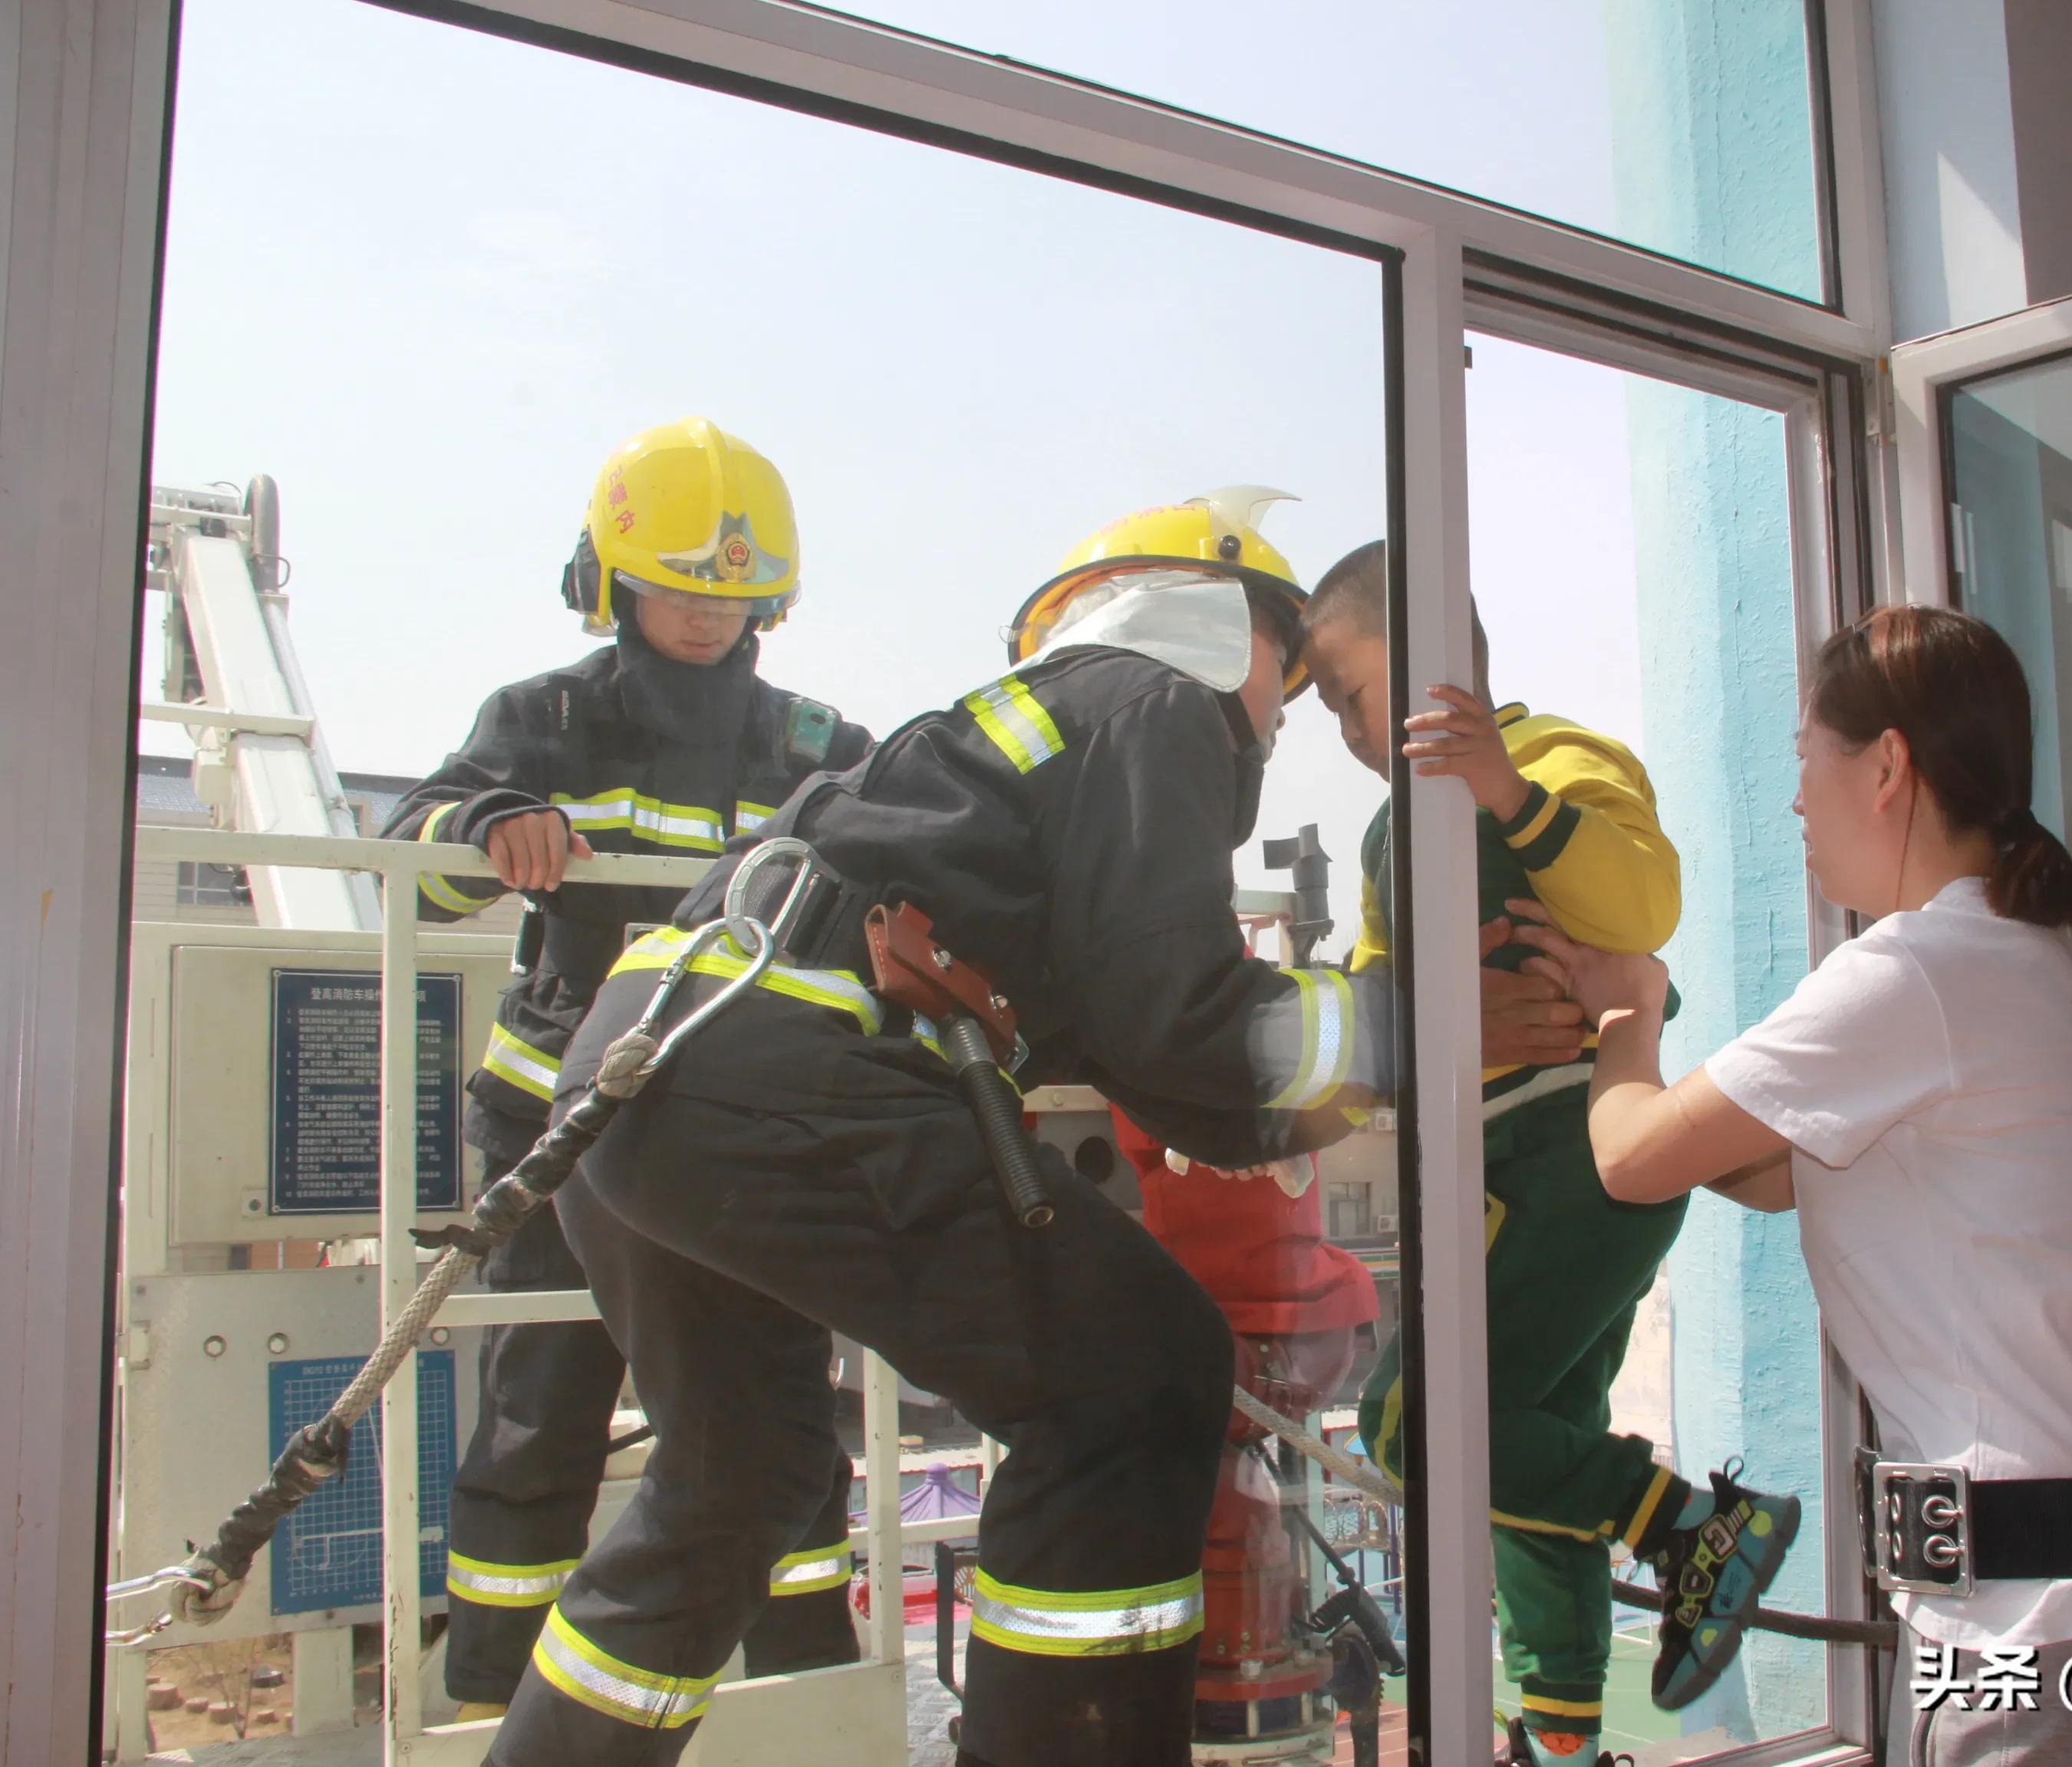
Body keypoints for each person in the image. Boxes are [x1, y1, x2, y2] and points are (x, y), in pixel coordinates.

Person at [484, 490, 1400, 1767]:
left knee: (733, 1478)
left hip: (644, 1080)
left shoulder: (1013, 751)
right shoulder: (1157, 698)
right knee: (1136, 1375)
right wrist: (1409, 1023)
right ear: (1225, 621)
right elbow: (1185, 1018)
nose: (1282, 714)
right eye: (1289, 684)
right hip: (784, 1072)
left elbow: (1165, 1059)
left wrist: (1316, 1075)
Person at [1512, 606, 2072, 1767]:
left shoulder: (1917, 974)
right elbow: (1765, 1169)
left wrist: (1630, 1010)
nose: (1797, 799)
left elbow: (1633, 1155)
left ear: (1887, 765)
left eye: (1808, 761)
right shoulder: (2019, 960)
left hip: (2043, 1648)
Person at [385, 417, 873, 1718]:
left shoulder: (815, 744)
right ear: (608, 582)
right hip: (557, 1126)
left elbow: (913, 837)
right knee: (541, 1411)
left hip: (738, 1125)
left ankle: (805, 1685)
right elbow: (412, 851)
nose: (705, 621)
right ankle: (495, 1703)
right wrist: (489, 825)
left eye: (731, 595)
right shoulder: (542, 721)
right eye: (673, 590)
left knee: (780, 1407)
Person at [1299, 541, 1804, 1760]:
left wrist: (1507, 793)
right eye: (1329, 710)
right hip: (1499, 1180)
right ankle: (1565, 1736)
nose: (1348, 728)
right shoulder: (1383, 843)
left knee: (1417, 1421)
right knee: (1536, 1469)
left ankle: (1686, 1526)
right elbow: (1378, 1009)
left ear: (1431, 660)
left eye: (1351, 693)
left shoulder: (1555, 760)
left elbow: (1646, 908)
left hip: (1582, 1158)